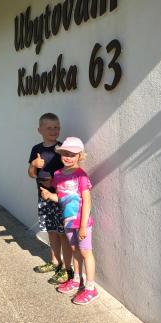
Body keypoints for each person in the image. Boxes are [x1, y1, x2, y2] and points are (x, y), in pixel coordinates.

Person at [40, 137, 98, 305]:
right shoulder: (58, 175)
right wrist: (49, 195)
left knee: (86, 253)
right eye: (65, 153)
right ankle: (77, 280)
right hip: (68, 222)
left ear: (79, 156)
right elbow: (62, 197)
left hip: (82, 224)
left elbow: (87, 201)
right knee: (75, 252)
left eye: (72, 154)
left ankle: (90, 288)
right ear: (61, 154)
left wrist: (82, 227)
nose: (68, 157)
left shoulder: (81, 176)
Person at [28, 113, 73, 284]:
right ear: (39, 130)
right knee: (52, 231)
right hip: (43, 199)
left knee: (63, 233)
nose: (54, 131)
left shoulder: (62, 150)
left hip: (59, 199)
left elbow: (70, 174)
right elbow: (31, 175)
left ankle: (67, 269)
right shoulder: (36, 150)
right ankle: (55, 261)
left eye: (57, 127)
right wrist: (34, 165)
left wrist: (54, 183)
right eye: (49, 128)